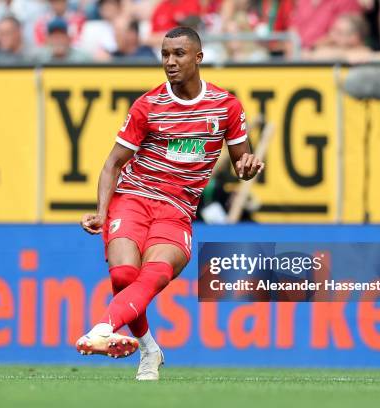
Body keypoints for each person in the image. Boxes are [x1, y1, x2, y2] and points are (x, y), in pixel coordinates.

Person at [75, 27, 264, 380]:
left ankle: (104, 328)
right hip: (133, 198)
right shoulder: (148, 105)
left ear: (198, 57)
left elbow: (242, 163)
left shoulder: (226, 106)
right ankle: (146, 348)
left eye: (179, 53)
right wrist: (102, 212)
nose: (170, 62)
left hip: (177, 210)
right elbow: (112, 163)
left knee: (153, 274)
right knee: (124, 275)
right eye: (165, 54)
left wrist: (249, 167)